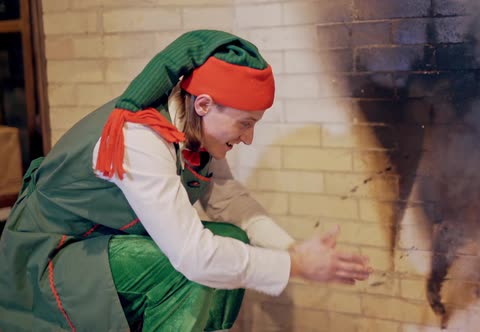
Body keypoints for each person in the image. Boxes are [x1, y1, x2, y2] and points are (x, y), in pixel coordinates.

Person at [0, 30, 372, 331]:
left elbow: (228, 200)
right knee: (193, 270)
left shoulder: (195, 133)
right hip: (43, 262)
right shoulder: (142, 139)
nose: (248, 138)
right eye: (246, 123)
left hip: (98, 249)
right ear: (204, 105)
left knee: (233, 240)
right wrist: (299, 267)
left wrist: (293, 252)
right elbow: (193, 258)